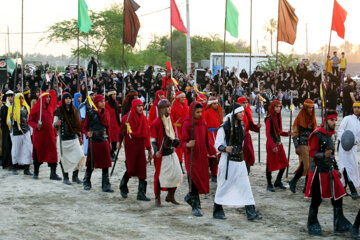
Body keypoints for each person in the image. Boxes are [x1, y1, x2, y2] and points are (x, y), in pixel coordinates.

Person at [305, 110, 352, 236]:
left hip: (330, 170)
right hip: (318, 172)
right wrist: (322, 154)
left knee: (338, 196)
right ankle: (312, 223)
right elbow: (312, 153)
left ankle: (339, 223)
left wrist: (336, 168)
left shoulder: (330, 134)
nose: (334, 122)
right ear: (325, 120)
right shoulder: (316, 134)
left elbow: (332, 156)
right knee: (317, 199)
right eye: (332, 120)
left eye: (336, 120)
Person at [213, 103, 261, 221]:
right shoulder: (223, 127)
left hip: (239, 161)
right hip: (228, 161)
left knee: (245, 186)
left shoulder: (242, 125)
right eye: (240, 112)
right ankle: (217, 209)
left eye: (243, 112)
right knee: (224, 186)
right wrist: (225, 149)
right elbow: (217, 145)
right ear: (234, 113)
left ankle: (251, 212)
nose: (242, 114)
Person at [180, 101, 216, 217]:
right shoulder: (186, 124)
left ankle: (190, 198)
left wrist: (213, 151)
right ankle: (196, 206)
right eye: (197, 112)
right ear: (192, 112)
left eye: (201, 112)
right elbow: (182, 142)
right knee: (193, 179)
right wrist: (187, 145)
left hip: (202, 156)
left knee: (201, 178)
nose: (200, 114)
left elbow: (207, 140)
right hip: (191, 156)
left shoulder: (203, 122)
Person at [150, 99, 183, 207]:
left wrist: (177, 142)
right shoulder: (156, 122)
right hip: (161, 154)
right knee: (160, 177)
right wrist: (156, 152)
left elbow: (171, 136)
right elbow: (154, 140)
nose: (170, 108)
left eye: (170, 106)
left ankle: (170, 196)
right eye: (168, 107)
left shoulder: (170, 119)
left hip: (171, 152)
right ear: (163, 109)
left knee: (177, 174)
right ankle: (157, 198)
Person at [119, 99, 153, 201]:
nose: (141, 108)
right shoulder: (126, 118)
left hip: (140, 145)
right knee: (131, 168)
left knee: (142, 168)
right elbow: (121, 132)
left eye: (141, 106)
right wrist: (118, 142)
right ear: (134, 107)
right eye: (138, 106)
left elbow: (146, 135)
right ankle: (123, 185)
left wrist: (149, 148)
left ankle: (141, 193)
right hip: (130, 145)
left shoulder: (144, 118)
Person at [82, 95, 114, 192]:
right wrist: (87, 132)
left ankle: (106, 184)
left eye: (104, 101)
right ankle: (87, 181)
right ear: (96, 103)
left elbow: (109, 128)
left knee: (105, 163)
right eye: (100, 102)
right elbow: (84, 126)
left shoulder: (106, 113)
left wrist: (110, 141)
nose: (103, 103)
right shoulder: (91, 113)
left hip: (104, 140)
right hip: (94, 141)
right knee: (91, 162)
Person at [28, 90, 61, 180]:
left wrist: (55, 130)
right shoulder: (36, 108)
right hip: (40, 135)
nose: (48, 98)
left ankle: (53, 173)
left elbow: (51, 122)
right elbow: (30, 121)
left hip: (50, 135)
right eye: (47, 97)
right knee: (38, 153)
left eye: (49, 97)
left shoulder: (50, 108)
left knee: (53, 153)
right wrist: (36, 125)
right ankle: (36, 172)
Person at [53, 92, 84, 185]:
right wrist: (56, 124)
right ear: (64, 100)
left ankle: (75, 177)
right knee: (64, 159)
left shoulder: (74, 110)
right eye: (66, 98)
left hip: (73, 137)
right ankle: (65, 178)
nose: (68, 100)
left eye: (69, 98)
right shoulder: (59, 111)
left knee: (79, 156)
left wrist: (79, 136)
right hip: (63, 139)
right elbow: (54, 124)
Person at [289, 99, 317, 193]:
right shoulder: (299, 118)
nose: (310, 110)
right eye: (309, 108)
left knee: (310, 166)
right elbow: (294, 134)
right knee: (306, 166)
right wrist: (296, 146)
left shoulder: (313, 118)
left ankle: (305, 186)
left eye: (312, 108)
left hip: (311, 145)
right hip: (302, 145)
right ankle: (294, 182)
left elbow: (315, 132)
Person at [265, 100, 290, 192]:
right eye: (276, 106)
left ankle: (278, 181)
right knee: (270, 165)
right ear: (273, 107)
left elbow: (279, 131)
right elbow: (267, 134)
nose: (278, 108)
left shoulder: (278, 117)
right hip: (271, 144)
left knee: (285, 163)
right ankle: (269, 183)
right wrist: (272, 146)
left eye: (280, 106)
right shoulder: (269, 118)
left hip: (278, 143)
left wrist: (288, 133)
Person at [338, 102, 360, 199]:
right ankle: (353, 191)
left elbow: (359, 137)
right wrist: (345, 140)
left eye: (358, 108)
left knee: (351, 167)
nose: (356, 109)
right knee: (346, 167)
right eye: (355, 107)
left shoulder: (359, 122)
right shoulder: (347, 118)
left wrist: (354, 141)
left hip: (353, 148)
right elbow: (340, 130)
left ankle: (342, 189)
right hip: (343, 147)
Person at [7, 93, 32, 175]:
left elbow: (29, 119)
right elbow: (9, 122)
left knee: (28, 149)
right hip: (16, 132)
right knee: (16, 150)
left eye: (22, 98)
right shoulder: (11, 108)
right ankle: (14, 166)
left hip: (26, 132)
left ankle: (26, 169)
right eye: (20, 98)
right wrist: (11, 117)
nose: (21, 100)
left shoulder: (26, 107)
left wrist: (30, 131)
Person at [237, 97, 261, 174]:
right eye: (243, 103)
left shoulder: (247, 112)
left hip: (246, 136)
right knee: (241, 153)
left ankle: (247, 170)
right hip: (238, 136)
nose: (245, 104)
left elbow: (250, 125)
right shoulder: (236, 113)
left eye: (246, 102)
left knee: (248, 153)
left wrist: (256, 126)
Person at [204, 96, 223, 182]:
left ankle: (215, 173)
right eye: (214, 103)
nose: (216, 105)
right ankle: (209, 171)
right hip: (210, 134)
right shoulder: (207, 112)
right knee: (211, 153)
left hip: (218, 134)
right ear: (211, 104)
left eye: (217, 103)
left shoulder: (219, 112)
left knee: (217, 154)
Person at [170, 91, 189, 171]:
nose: (184, 99)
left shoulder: (185, 107)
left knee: (184, 146)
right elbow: (171, 118)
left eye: (184, 97)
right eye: (182, 97)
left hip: (184, 128)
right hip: (177, 129)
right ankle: (179, 164)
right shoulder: (174, 107)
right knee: (178, 147)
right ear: (178, 98)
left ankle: (181, 163)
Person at [105, 90, 121, 160]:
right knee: (110, 139)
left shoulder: (116, 103)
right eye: (113, 94)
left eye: (115, 94)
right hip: (110, 124)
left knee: (116, 139)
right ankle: (110, 153)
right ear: (110, 96)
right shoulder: (106, 104)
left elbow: (118, 111)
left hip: (116, 124)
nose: (115, 95)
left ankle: (113, 152)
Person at [1, 90, 14, 170]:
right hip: (6, 130)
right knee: (7, 146)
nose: (10, 98)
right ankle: (8, 163)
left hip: (13, 129)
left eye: (11, 97)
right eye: (8, 97)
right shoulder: (4, 108)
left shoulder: (15, 107)